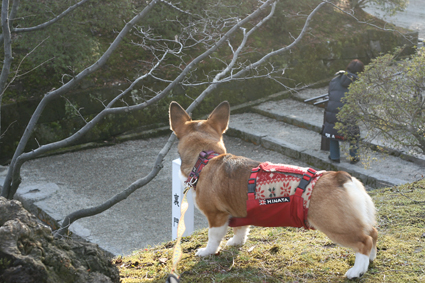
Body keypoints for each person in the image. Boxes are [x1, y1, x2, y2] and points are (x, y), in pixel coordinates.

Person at [322, 59, 364, 164]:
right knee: (353, 133)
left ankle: (334, 156)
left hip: (332, 111)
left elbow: (330, 94)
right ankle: (354, 157)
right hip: (347, 113)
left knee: (333, 130)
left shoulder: (334, 80)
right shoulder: (358, 83)